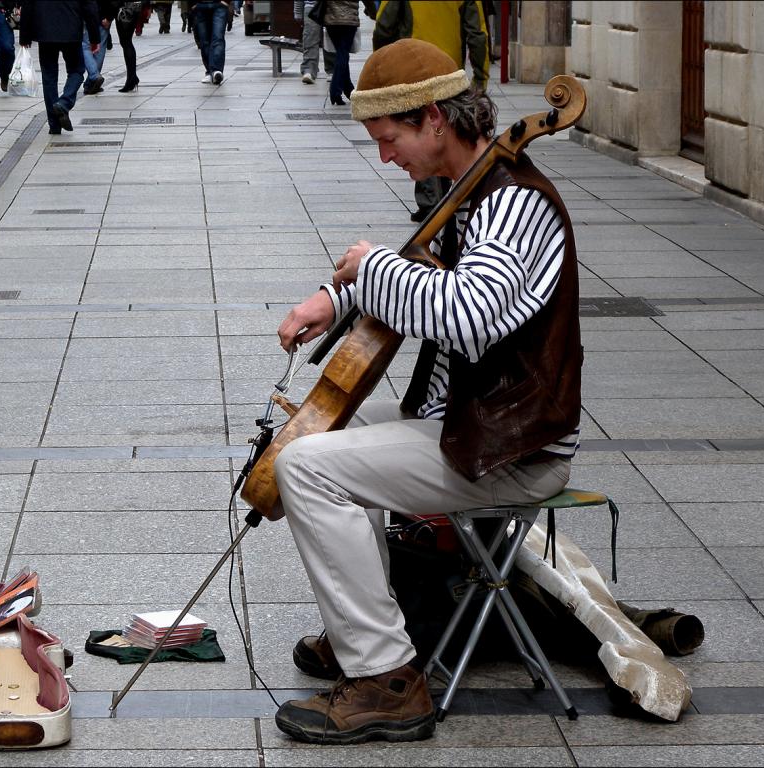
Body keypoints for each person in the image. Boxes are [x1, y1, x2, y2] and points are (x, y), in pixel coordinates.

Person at [270, 38, 582, 744]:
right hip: (472, 423)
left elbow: (466, 317)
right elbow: (421, 273)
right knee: (320, 437)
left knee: (306, 467)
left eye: (390, 138)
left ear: (435, 118)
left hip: (514, 446)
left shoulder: (514, 204)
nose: (386, 156)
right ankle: (369, 629)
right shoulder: (472, 193)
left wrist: (368, 265)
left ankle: (385, 677)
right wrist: (334, 293)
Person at [371, 0, 470, 222]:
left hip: (412, 74)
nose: (385, 157)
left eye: (388, 139)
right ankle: (445, 200)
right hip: (450, 72)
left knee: (422, 137)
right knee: (444, 136)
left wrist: (385, 66)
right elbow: (477, 30)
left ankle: (431, 203)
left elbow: (384, 26)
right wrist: (481, 76)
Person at [19, 0, 100, 132]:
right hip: (71, 29)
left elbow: (28, 4)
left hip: (45, 32)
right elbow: (90, 6)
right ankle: (64, 102)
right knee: (77, 71)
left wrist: (24, 36)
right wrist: (94, 37)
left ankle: (54, 124)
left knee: (49, 77)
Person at [320, 0, 375, 105]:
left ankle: (349, 90)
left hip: (331, 21)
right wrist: (373, 13)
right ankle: (335, 91)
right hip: (349, 22)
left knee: (342, 54)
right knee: (343, 54)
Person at [103, 1, 149, 92]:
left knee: (126, 43)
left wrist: (108, 18)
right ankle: (132, 77)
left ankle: (131, 79)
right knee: (127, 42)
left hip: (124, 9)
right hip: (135, 7)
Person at [190, 0, 231, 85]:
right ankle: (209, 71)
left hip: (219, 4)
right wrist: (192, 4)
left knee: (218, 37)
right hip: (200, 5)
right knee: (204, 40)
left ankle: (216, 70)